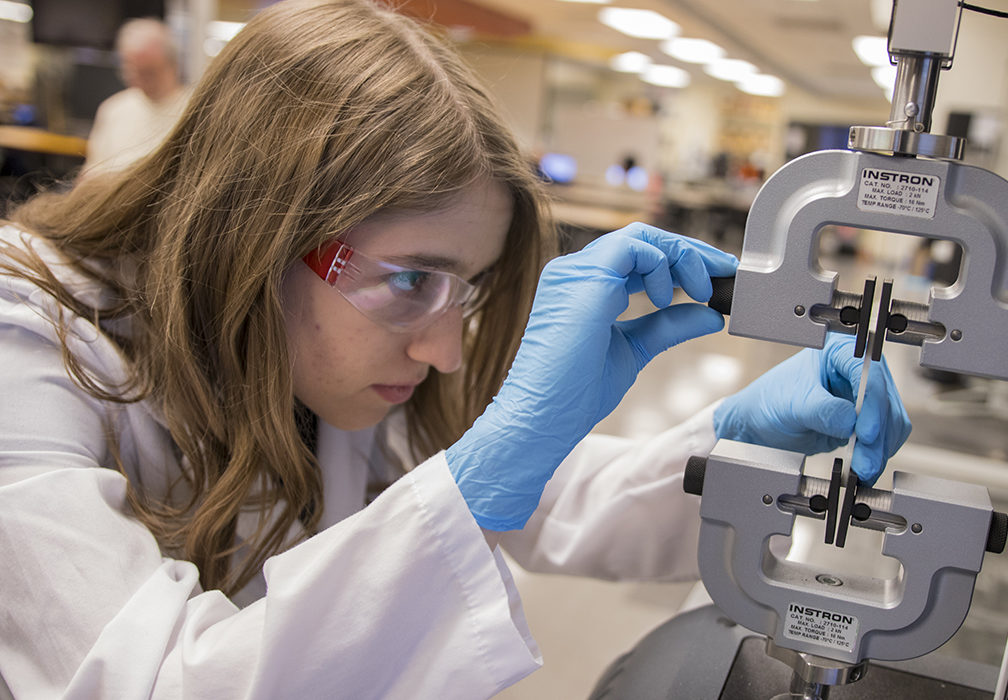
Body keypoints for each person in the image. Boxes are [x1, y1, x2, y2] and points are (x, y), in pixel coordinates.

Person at [0, 0, 910, 697]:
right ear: (258, 231)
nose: (444, 350)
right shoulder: (29, 339)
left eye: (465, 289)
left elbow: (551, 503)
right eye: (411, 280)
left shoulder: (321, 355)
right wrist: (479, 477)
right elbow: (147, 681)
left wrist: (743, 442)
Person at [83, 18, 189, 176]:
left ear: (172, 65)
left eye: (148, 72)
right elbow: (91, 174)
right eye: (131, 71)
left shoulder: (193, 111)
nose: (137, 80)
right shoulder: (113, 109)